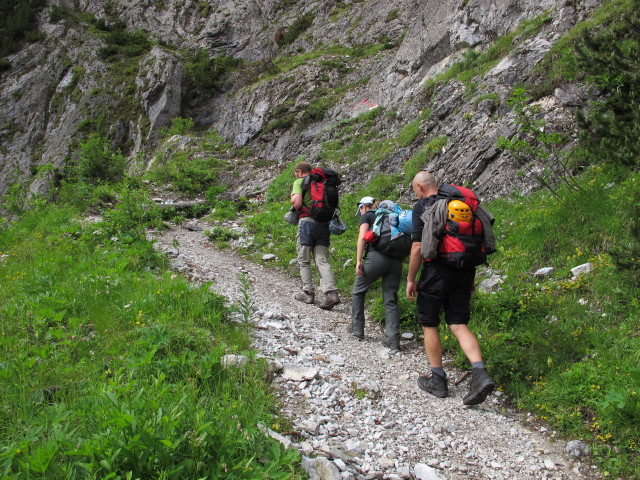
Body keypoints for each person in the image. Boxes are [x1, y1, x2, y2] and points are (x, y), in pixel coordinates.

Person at [406, 171, 495, 405]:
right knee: (458, 324)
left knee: (429, 323)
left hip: (436, 272)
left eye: (415, 188)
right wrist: (470, 277)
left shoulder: (423, 206)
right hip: (465, 270)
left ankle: (438, 380)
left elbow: (417, 247)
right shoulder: (462, 205)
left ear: (420, 187)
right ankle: (480, 374)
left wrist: (410, 279)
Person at [349, 198, 403, 351]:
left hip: (377, 257)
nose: (360, 212)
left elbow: (362, 237)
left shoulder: (367, 215)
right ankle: (394, 340)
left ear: (365, 207)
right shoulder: (392, 215)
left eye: (360, 208)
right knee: (391, 299)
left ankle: (357, 329)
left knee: (358, 291)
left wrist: (358, 260)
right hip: (396, 260)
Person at [290, 161, 340, 310]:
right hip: (324, 223)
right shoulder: (322, 183)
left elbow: (297, 203)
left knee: (303, 260)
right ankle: (331, 293)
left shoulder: (300, 181)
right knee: (322, 260)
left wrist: (292, 198)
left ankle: (308, 293)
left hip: (307, 223)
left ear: (299, 171)